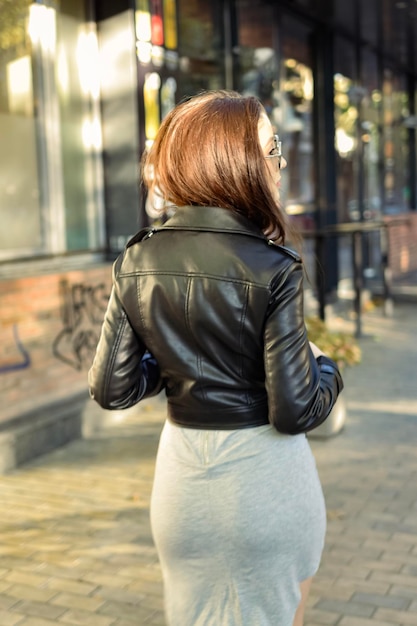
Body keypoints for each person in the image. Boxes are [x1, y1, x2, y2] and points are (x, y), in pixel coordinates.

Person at [88, 90, 344, 626]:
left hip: (181, 475)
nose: (279, 165)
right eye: (272, 150)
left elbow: (113, 388)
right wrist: (327, 368)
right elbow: (295, 411)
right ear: (236, 164)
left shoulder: (137, 257)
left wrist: (176, 357)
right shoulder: (275, 267)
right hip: (264, 479)